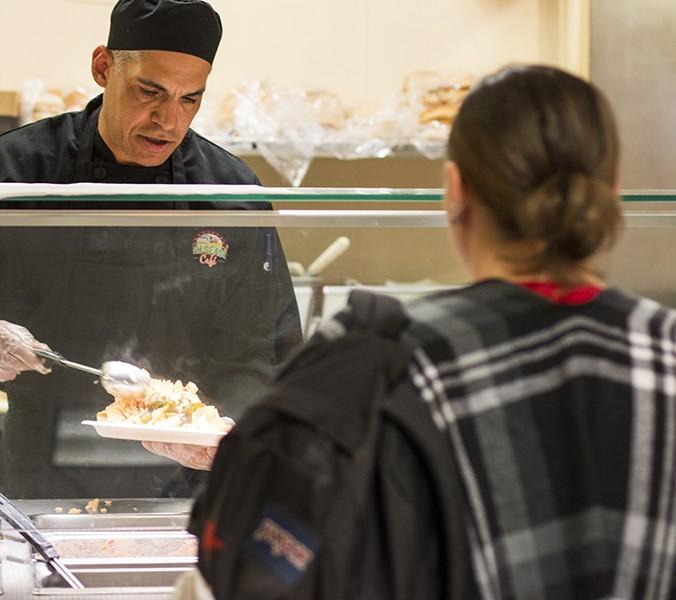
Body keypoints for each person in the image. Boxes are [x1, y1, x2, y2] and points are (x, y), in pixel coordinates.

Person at [187, 65, 676, 599]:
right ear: (612, 189)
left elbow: (244, 573)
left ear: (455, 190)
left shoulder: (376, 367)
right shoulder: (666, 349)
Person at [0, 0, 302, 499]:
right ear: (103, 67)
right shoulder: (17, 170)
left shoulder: (230, 192)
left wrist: (226, 431)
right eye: (149, 92)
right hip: (39, 474)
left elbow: (265, 349)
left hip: (182, 480)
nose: (168, 121)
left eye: (190, 99)